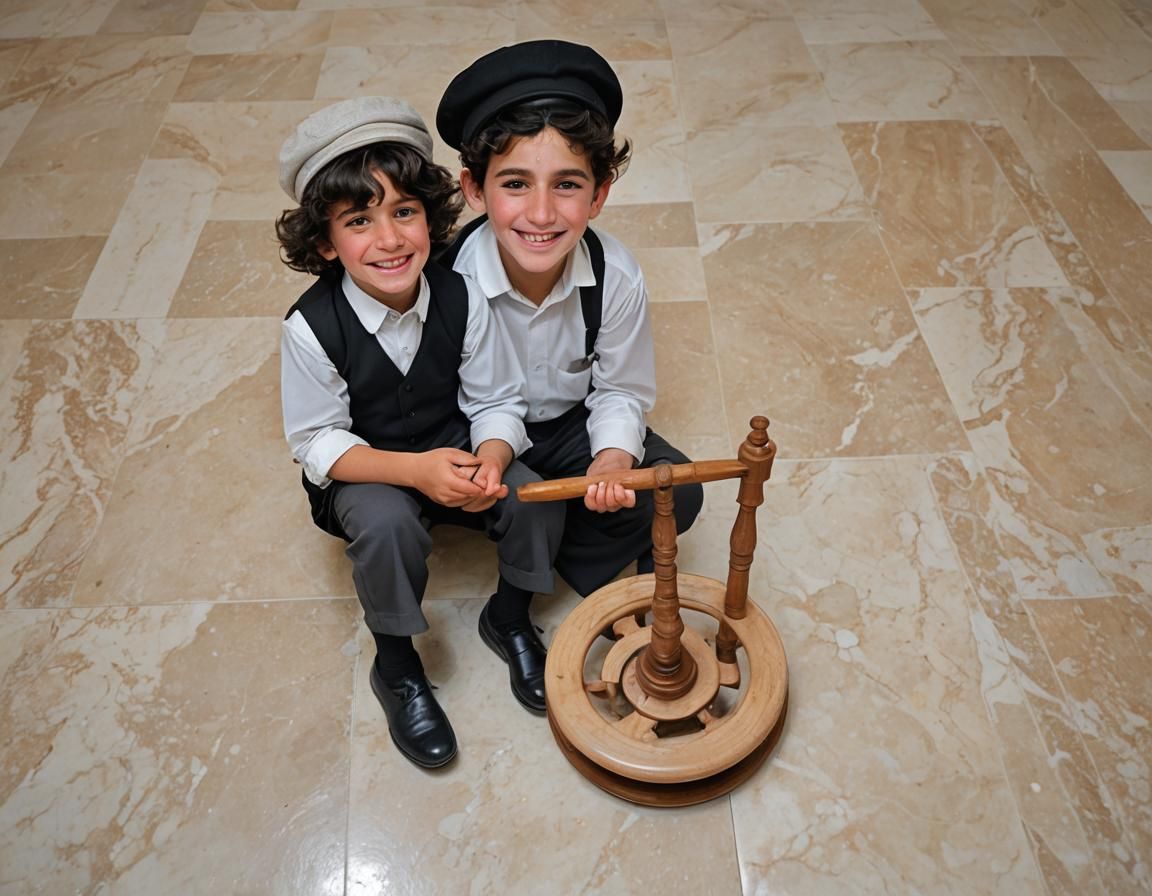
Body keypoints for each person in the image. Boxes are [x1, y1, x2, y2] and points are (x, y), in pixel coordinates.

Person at [276, 97, 564, 768]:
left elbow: (496, 398)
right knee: (386, 526)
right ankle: (398, 665)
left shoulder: (460, 298)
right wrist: (412, 472)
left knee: (533, 497)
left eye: (404, 212)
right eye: (358, 221)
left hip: (452, 449)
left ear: (429, 219)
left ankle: (511, 615)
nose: (389, 239)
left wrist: (491, 455)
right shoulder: (309, 327)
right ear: (325, 242)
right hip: (367, 471)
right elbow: (317, 442)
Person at [435, 41, 704, 607]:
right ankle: (534, 530)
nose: (540, 213)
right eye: (514, 184)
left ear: (599, 193)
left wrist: (611, 460)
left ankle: (545, 533)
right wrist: (486, 466)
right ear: (473, 189)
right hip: (473, 431)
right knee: (490, 492)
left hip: (565, 427)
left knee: (674, 494)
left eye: (566, 184)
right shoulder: (443, 285)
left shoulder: (617, 278)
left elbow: (620, 390)